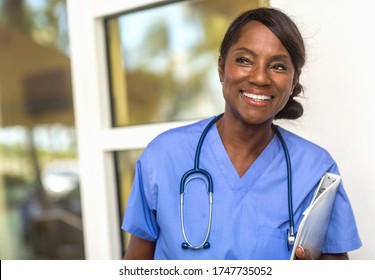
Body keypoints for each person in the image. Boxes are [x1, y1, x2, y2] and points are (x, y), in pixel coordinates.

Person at [121, 7, 362, 260]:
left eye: (278, 66)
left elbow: (336, 266)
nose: (260, 78)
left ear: (293, 82)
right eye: (244, 60)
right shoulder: (163, 156)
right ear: (221, 68)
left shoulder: (316, 169)